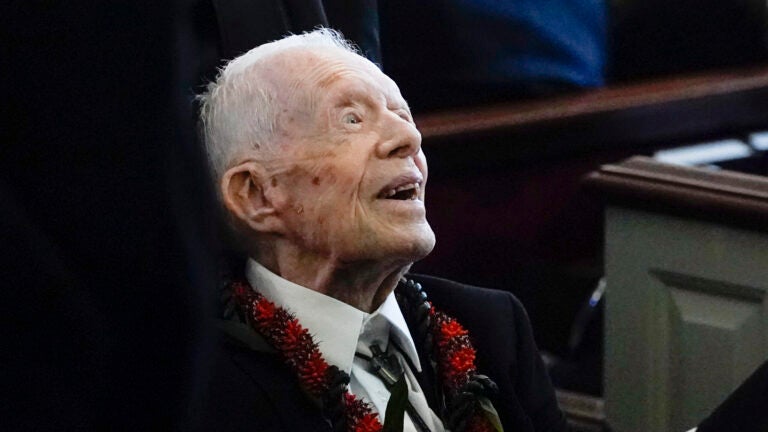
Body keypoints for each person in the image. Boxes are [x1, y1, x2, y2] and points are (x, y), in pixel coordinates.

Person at [192, 28, 567, 432]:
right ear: (256, 194)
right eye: (352, 120)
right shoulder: (199, 386)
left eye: (402, 115)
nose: (409, 137)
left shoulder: (493, 326)